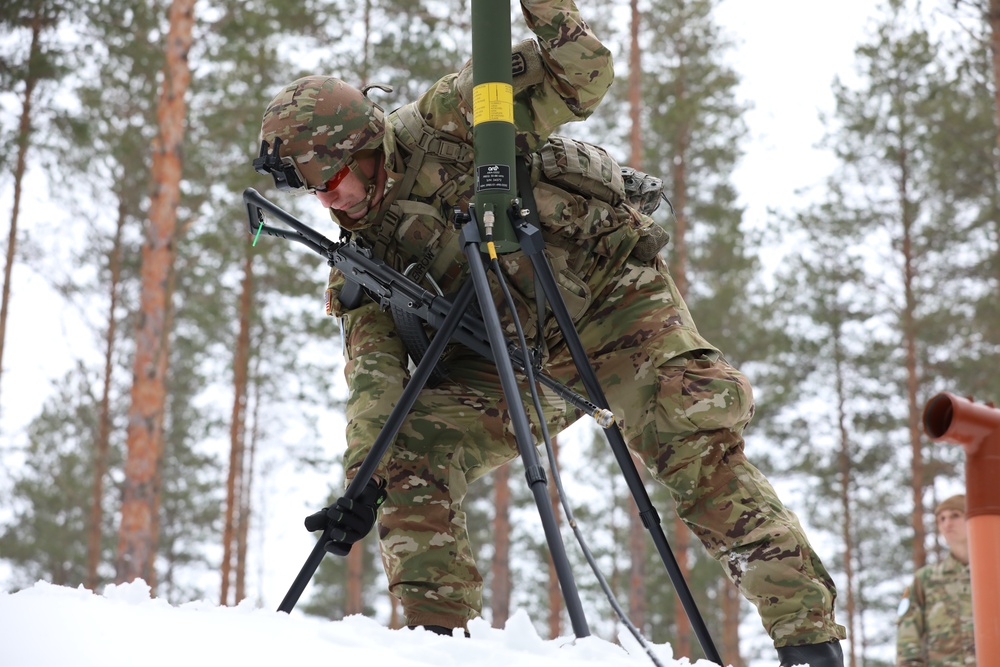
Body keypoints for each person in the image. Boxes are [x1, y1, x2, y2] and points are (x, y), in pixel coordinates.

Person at [253, 0, 847, 664]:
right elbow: (374, 381)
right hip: (511, 357)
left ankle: (808, 643)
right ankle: (436, 644)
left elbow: (582, 74)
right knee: (408, 451)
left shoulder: (454, 116)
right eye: (311, 191)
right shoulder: (360, 258)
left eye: (329, 179)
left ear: (365, 147)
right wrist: (361, 481)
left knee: (690, 438)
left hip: (613, 304)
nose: (327, 201)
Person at [896, 494, 975, 666]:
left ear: (972, 518)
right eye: (941, 519)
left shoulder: (992, 575)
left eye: (955, 515)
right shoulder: (925, 579)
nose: (947, 523)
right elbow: (908, 637)